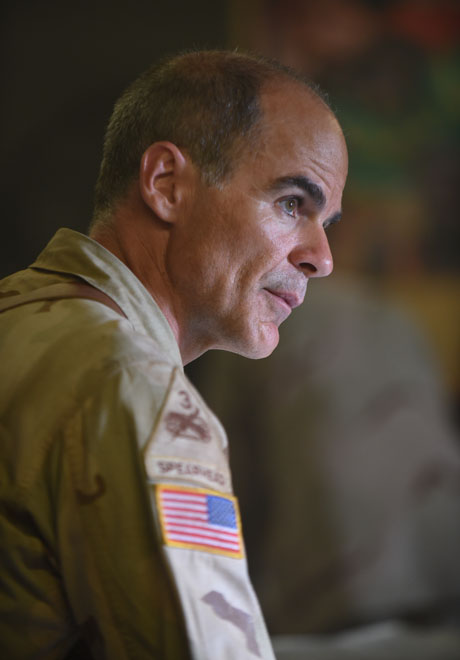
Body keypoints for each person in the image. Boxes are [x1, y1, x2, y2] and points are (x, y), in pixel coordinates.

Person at [0, 50, 348, 659]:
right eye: (293, 203)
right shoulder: (135, 391)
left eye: (328, 223)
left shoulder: (17, 315)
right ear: (166, 184)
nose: (321, 258)